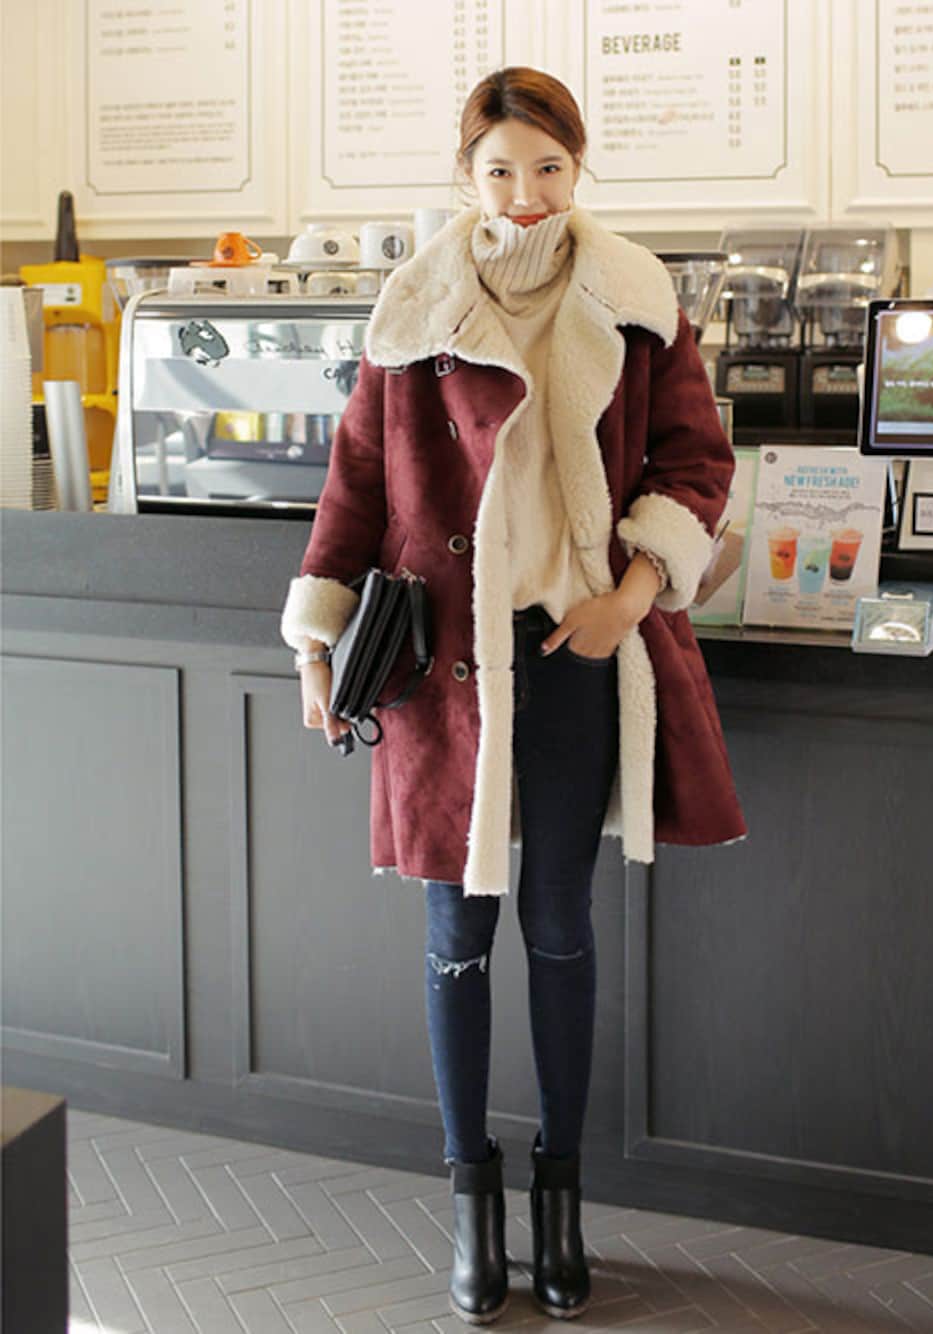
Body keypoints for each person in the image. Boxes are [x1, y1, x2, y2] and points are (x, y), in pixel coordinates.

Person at [281, 66, 747, 1325]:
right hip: (443, 671)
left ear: (577, 167)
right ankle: (470, 1201)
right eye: (500, 170)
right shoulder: (413, 307)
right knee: (455, 935)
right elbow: (355, 490)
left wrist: (630, 592)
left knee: (558, 926)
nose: (525, 193)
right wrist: (317, 644)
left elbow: (696, 464)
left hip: (574, 654)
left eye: (547, 167)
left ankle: (561, 1199)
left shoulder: (638, 300)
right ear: (466, 175)